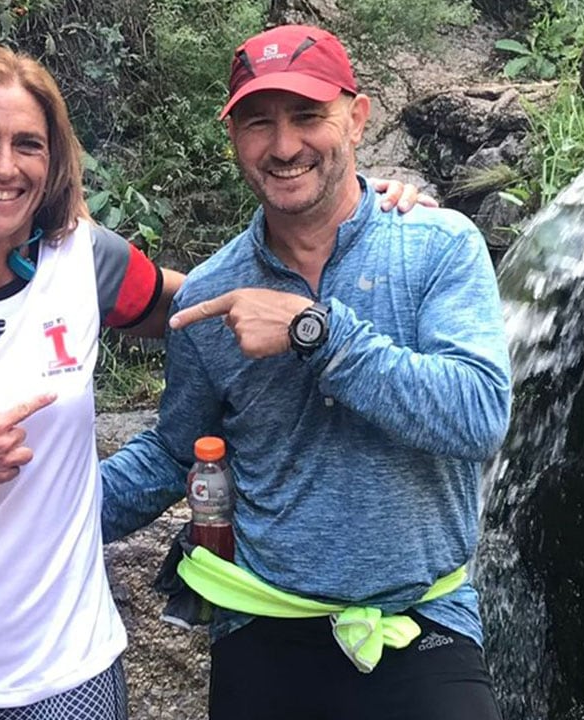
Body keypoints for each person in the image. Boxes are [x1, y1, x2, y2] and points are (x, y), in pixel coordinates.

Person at [0, 45, 430, 719]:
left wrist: (363, 211)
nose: (4, 166)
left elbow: (225, 307)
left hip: (72, 668)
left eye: (27, 145)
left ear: (51, 163)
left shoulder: (86, 262)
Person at [101, 24, 512, 720]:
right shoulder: (210, 290)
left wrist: (311, 330)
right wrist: (36, 511)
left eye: (308, 116)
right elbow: (174, 453)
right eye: (259, 123)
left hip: (422, 623)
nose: (284, 146)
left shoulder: (439, 246)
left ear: (357, 116)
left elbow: (477, 416)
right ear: (233, 136)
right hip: (264, 622)